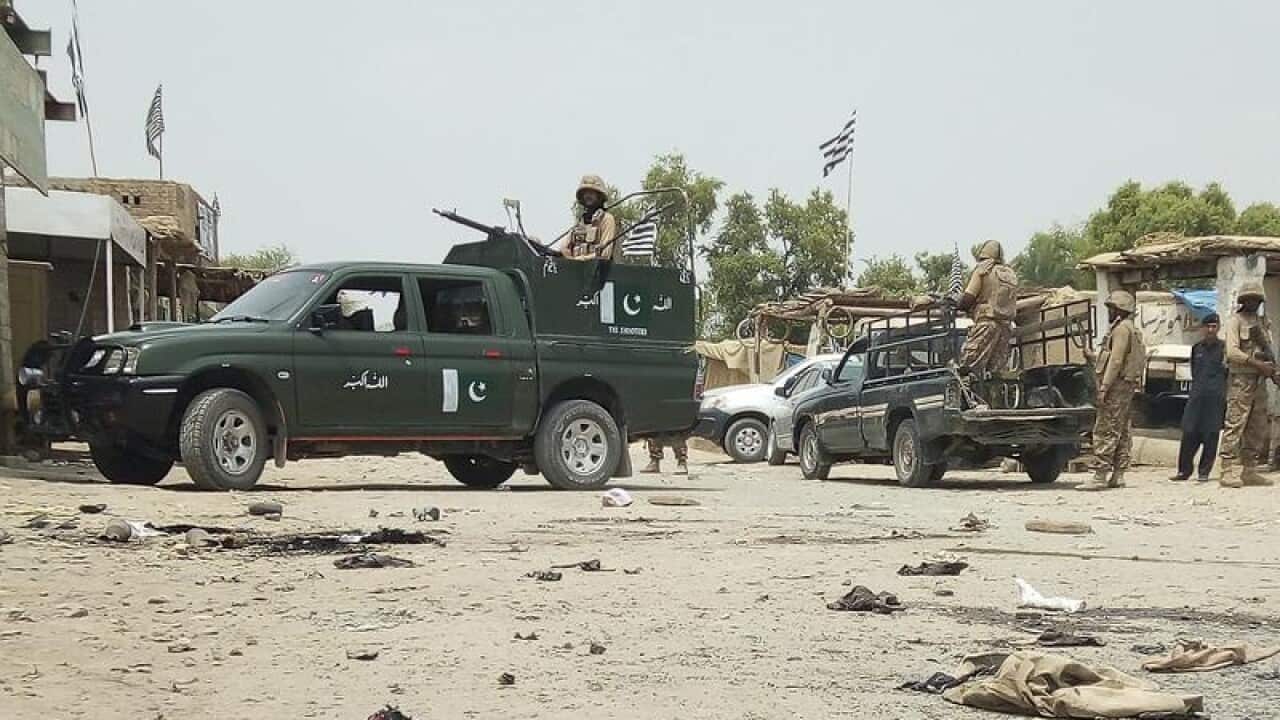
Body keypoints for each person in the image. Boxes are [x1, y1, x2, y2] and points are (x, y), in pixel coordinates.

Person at [1079, 289, 1146, 492]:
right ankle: (1118, 474)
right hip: (1125, 386)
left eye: (1111, 308)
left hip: (1116, 387)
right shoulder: (1130, 329)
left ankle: (1100, 475)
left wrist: (1104, 388)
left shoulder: (1121, 330)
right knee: (1122, 430)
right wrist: (1093, 357)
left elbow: (1116, 361)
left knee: (1106, 429)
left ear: (1119, 310)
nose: (1108, 311)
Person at [1219, 283, 1279, 488]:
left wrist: (1271, 370)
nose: (1253, 303)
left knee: (1258, 426)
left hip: (1259, 380)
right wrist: (1256, 363)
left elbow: (1267, 350)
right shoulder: (1235, 321)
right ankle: (1226, 469)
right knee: (1235, 423)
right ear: (1243, 301)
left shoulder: (1263, 322)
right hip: (1241, 380)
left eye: (1257, 300)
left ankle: (1249, 469)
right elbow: (1232, 352)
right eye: (1250, 299)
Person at [1170, 313, 1226, 482]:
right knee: (1189, 432)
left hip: (1215, 398)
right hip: (1197, 396)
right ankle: (1184, 471)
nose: (1210, 330)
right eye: (1207, 326)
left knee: (1211, 435)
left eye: (1214, 326)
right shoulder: (1197, 349)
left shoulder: (1224, 349)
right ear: (1202, 328)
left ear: (1218, 328)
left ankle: (1204, 472)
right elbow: (1194, 371)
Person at [956, 240, 1019, 376]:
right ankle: (994, 397)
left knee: (968, 367)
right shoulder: (1010, 274)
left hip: (986, 325)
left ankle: (967, 396)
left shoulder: (983, 270)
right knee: (996, 373)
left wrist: (959, 306)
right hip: (1006, 327)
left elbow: (968, 298)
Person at [561, 174, 620, 262]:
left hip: (600, 273)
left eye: (592, 193)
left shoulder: (606, 219)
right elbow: (564, 248)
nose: (588, 196)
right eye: (585, 193)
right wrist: (571, 261)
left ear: (599, 196)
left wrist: (581, 259)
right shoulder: (580, 223)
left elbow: (605, 254)